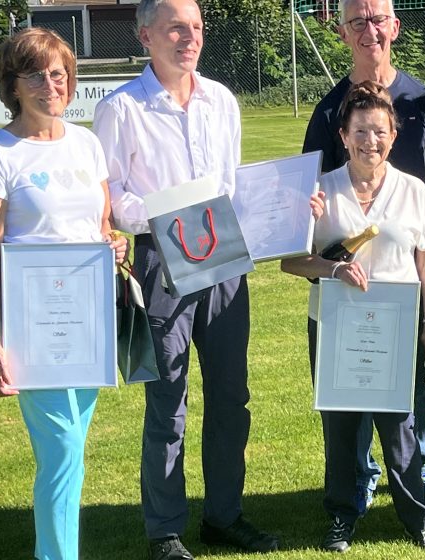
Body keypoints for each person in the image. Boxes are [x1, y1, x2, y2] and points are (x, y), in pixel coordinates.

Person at [92, 0, 315, 557]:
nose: (189, 37)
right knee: (166, 401)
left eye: (195, 27)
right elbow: (113, 201)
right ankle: (164, 530)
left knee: (230, 397)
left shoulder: (221, 100)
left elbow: (236, 189)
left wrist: (286, 208)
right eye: (175, 28)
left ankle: (223, 516)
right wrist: (173, 214)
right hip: (160, 261)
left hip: (224, 268)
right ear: (145, 35)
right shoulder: (122, 108)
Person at [0, 28, 127, 560]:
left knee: (71, 454)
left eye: (57, 73)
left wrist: (114, 244)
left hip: (88, 324)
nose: (49, 84)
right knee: (62, 451)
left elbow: (103, 226)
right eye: (34, 74)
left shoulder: (87, 144)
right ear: (12, 85)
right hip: (33, 329)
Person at [303, 0, 425, 508]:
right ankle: (363, 474)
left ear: (394, 25)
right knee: (357, 375)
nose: (369, 30)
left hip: (412, 262)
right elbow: (310, 197)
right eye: (357, 22)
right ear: (344, 32)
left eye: (377, 19)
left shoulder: (424, 99)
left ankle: (420, 467)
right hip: (351, 282)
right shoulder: (329, 111)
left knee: (421, 376)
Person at [282, 81, 425, 552]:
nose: (370, 141)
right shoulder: (321, 192)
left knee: (400, 429)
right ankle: (341, 515)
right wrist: (331, 264)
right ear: (343, 135)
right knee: (341, 429)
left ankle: (418, 520)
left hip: (396, 329)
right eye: (360, 131)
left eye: (379, 132)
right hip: (335, 329)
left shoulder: (414, 190)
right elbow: (292, 262)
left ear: (394, 136)